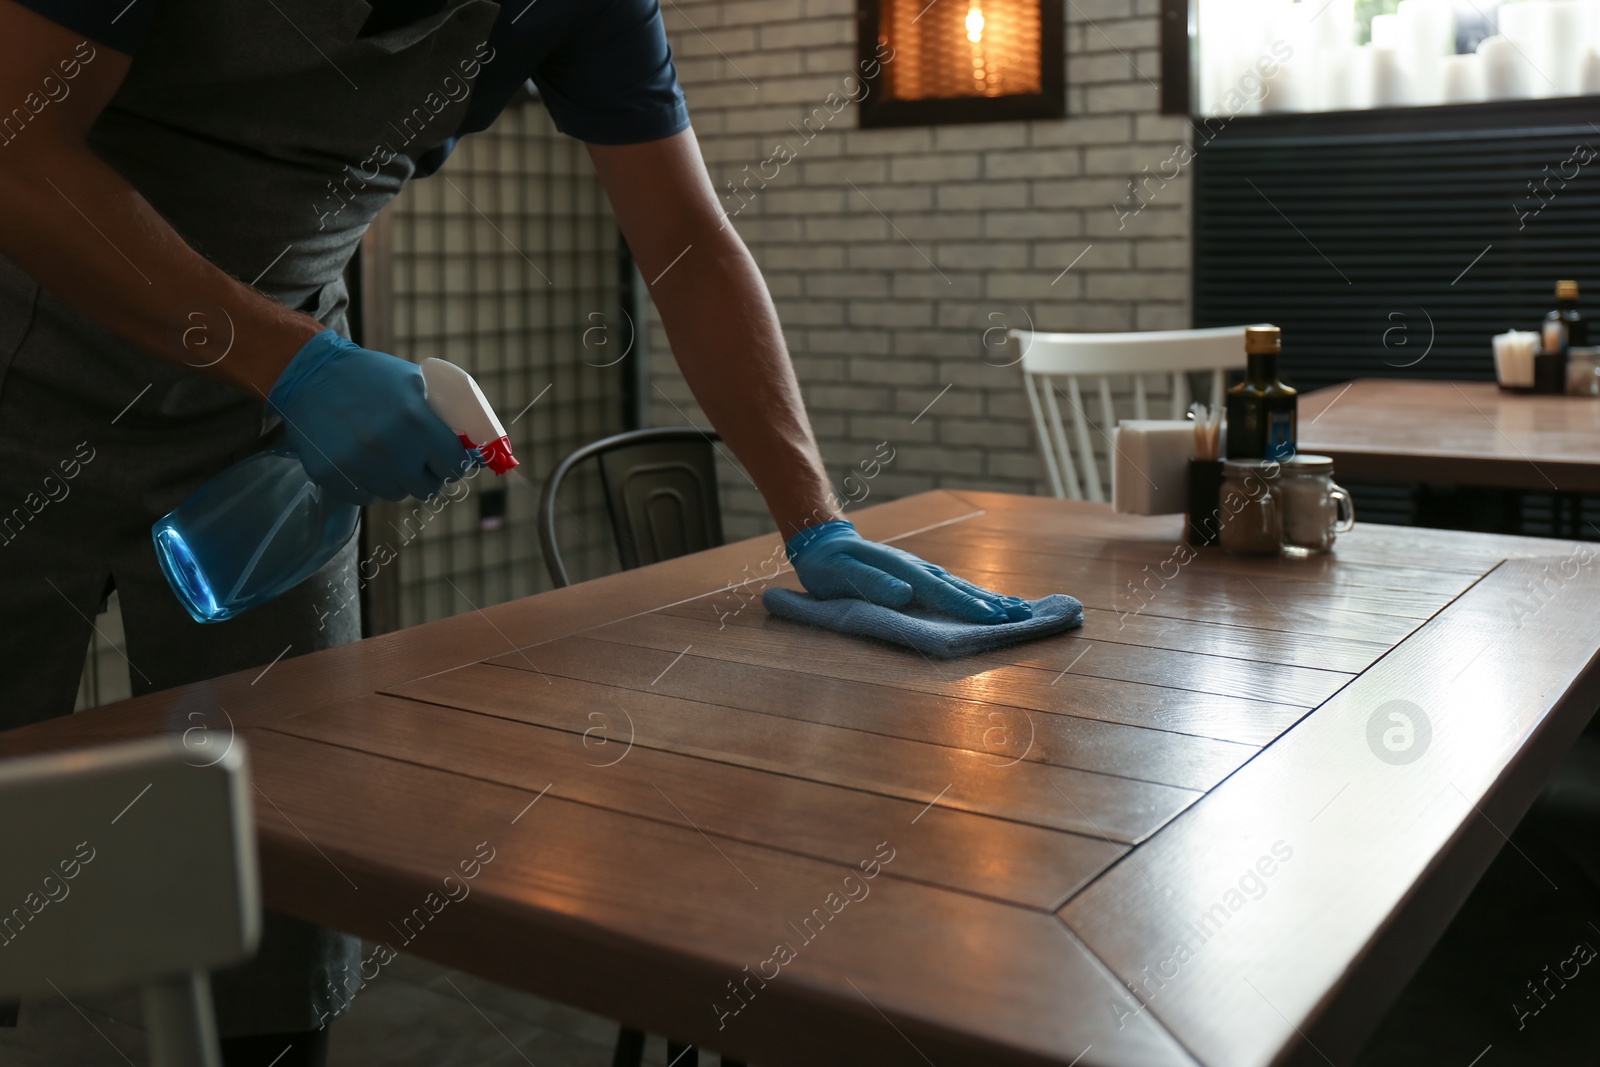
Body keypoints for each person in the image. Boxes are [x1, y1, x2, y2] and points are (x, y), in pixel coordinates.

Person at [0, 1, 1028, 1063]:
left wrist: (812, 517)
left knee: (276, 874)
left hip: (273, 437)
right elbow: (13, 142)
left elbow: (681, 238)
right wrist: (289, 360)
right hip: (23, 377)